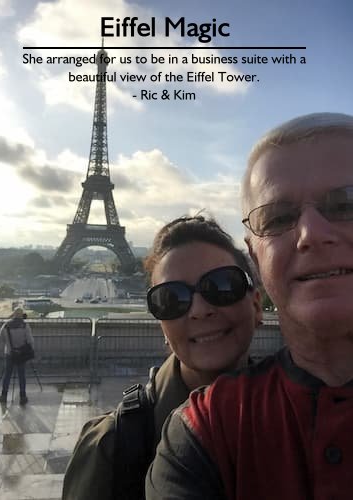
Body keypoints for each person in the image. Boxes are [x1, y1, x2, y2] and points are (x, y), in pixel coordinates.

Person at [146, 112, 353, 500]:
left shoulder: (207, 431)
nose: (311, 234)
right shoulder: (201, 428)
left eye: (346, 204)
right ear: (256, 260)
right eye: (277, 218)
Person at [62, 215, 262, 500]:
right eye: (171, 299)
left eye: (222, 286)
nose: (198, 310)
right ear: (163, 326)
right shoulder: (111, 445)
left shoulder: (303, 415)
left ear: (256, 305)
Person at [0, 307, 34, 405]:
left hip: (9, 353)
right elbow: (30, 340)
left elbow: (0, 339)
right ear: (22, 315)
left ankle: (4, 395)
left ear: (13, 314)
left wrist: (8, 345)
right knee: (21, 375)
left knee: (7, 375)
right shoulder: (25, 326)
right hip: (21, 354)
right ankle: (22, 396)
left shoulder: (6, 325)